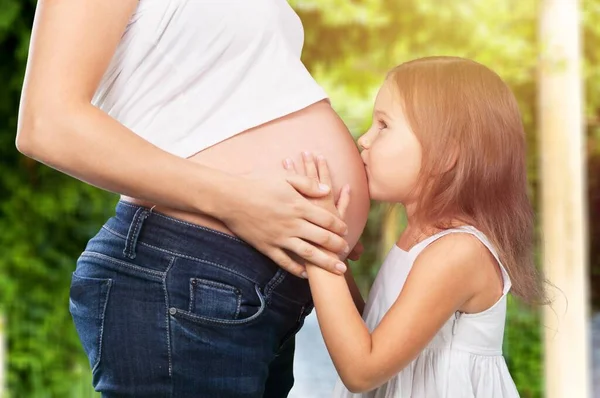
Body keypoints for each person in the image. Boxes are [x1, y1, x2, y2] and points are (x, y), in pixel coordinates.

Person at [15, 1, 370, 397]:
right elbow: (47, 124)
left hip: (253, 288)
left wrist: (321, 232)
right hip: (185, 273)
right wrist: (238, 202)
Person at [284, 56, 547, 397]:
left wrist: (317, 243)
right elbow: (380, 335)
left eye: (384, 125)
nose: (364, 139)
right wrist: (334, 253)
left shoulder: (458, 252)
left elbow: (363, 369)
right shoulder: (418, 239)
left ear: (448, 153)